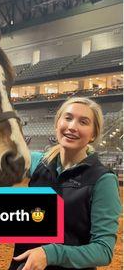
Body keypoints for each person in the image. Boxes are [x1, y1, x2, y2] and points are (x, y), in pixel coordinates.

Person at [9, 97, 121, 270]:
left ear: (93, 134)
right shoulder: (38, 162)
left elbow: (103, 250)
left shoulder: (103, 180)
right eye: (68, 118)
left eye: (83, 122)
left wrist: (50, 254)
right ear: (57, 124)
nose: (72, 127)